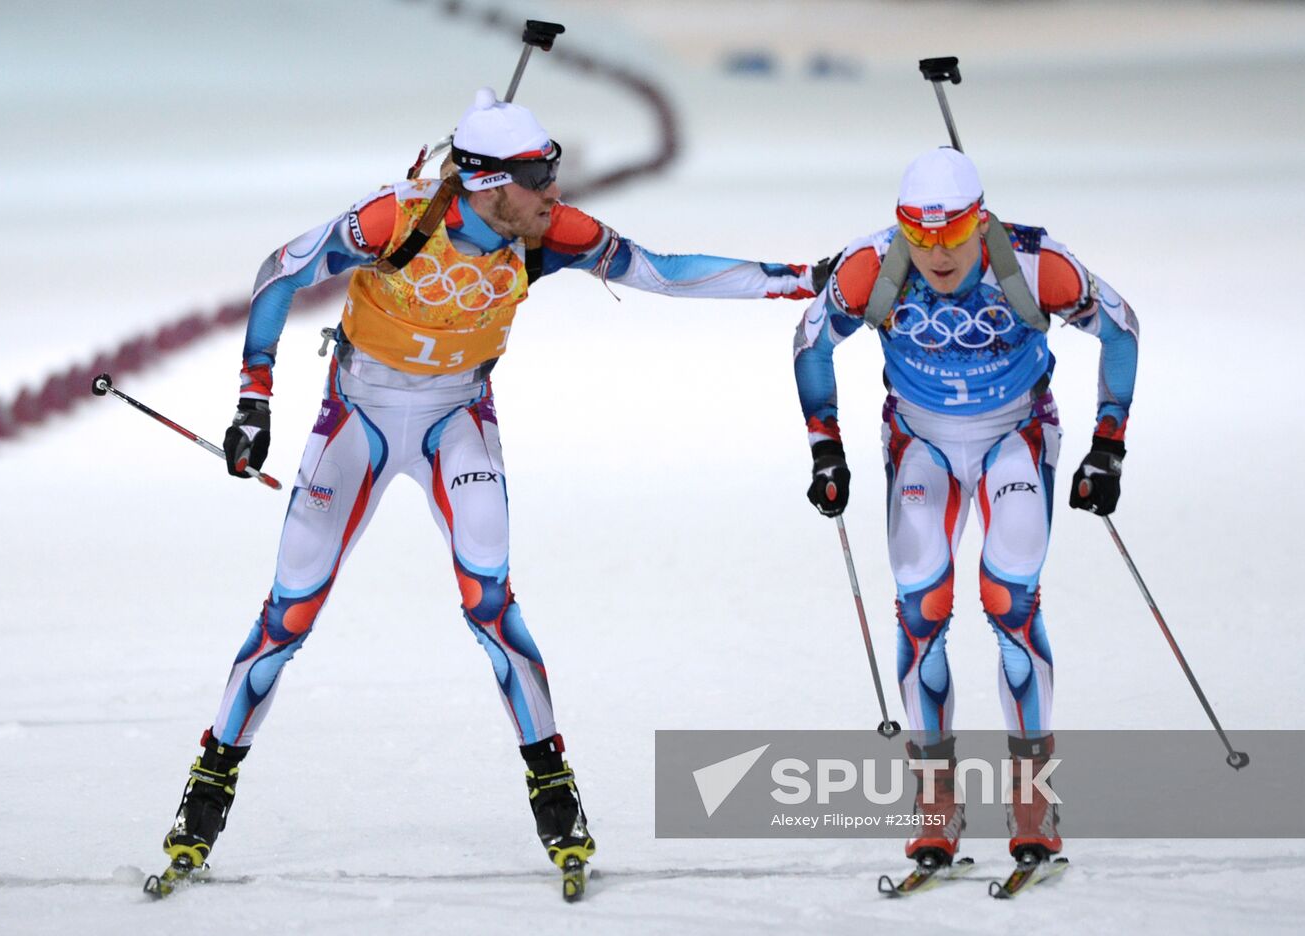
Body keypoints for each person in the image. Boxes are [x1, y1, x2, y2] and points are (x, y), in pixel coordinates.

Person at [150, 87, 822, 898]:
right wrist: (253, 400)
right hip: (355, 415)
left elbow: (668, 274)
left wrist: (806, 280)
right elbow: (279, 273)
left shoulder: (549, 235)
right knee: (290, 609)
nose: (556, 196)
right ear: (489, 184)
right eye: (539, 179)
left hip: (456, 416)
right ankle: (210, 786)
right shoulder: (391, 222)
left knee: (492, 602)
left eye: (554, 174)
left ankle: (553, 789)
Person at [793, 147, 1139, 869]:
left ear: (980, 222)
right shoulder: (872, 266)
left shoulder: (1038, 267)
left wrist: (1109, 445)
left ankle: (1033, 792)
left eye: (953, 237)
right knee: (921, 606)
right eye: (920, 238)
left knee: (1010, 597)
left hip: (1015, 431)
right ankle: (936, 797)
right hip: (920, 437)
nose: (938, 255)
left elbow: (1122, 327)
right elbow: (809, 343)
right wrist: (826, 449)